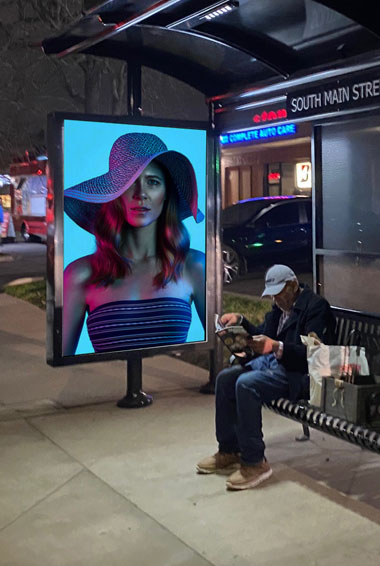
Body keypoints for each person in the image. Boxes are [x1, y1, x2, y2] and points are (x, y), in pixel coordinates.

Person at [62, 132, 205, 356]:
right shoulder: (80, 274)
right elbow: (61, 363)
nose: (141, 194)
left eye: (153, 182)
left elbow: (220, 351)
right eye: (130, 182)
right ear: (115, 195)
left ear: (166, 193)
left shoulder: (194, 266)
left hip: (169, 389)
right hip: (108, 389)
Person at [197, 263, 335, 491]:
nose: (276, 300)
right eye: (272, 296)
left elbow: (315, 354)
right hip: (275, 368)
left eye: (279, 294)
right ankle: (230, 450)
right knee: (225, 379)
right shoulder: (279, 310)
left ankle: (255, 462)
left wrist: (278, 347)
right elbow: (263, 334)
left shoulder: (316, 307)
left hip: (300, 375)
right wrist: (240, 323)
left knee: (246, 384)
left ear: (292, 286)